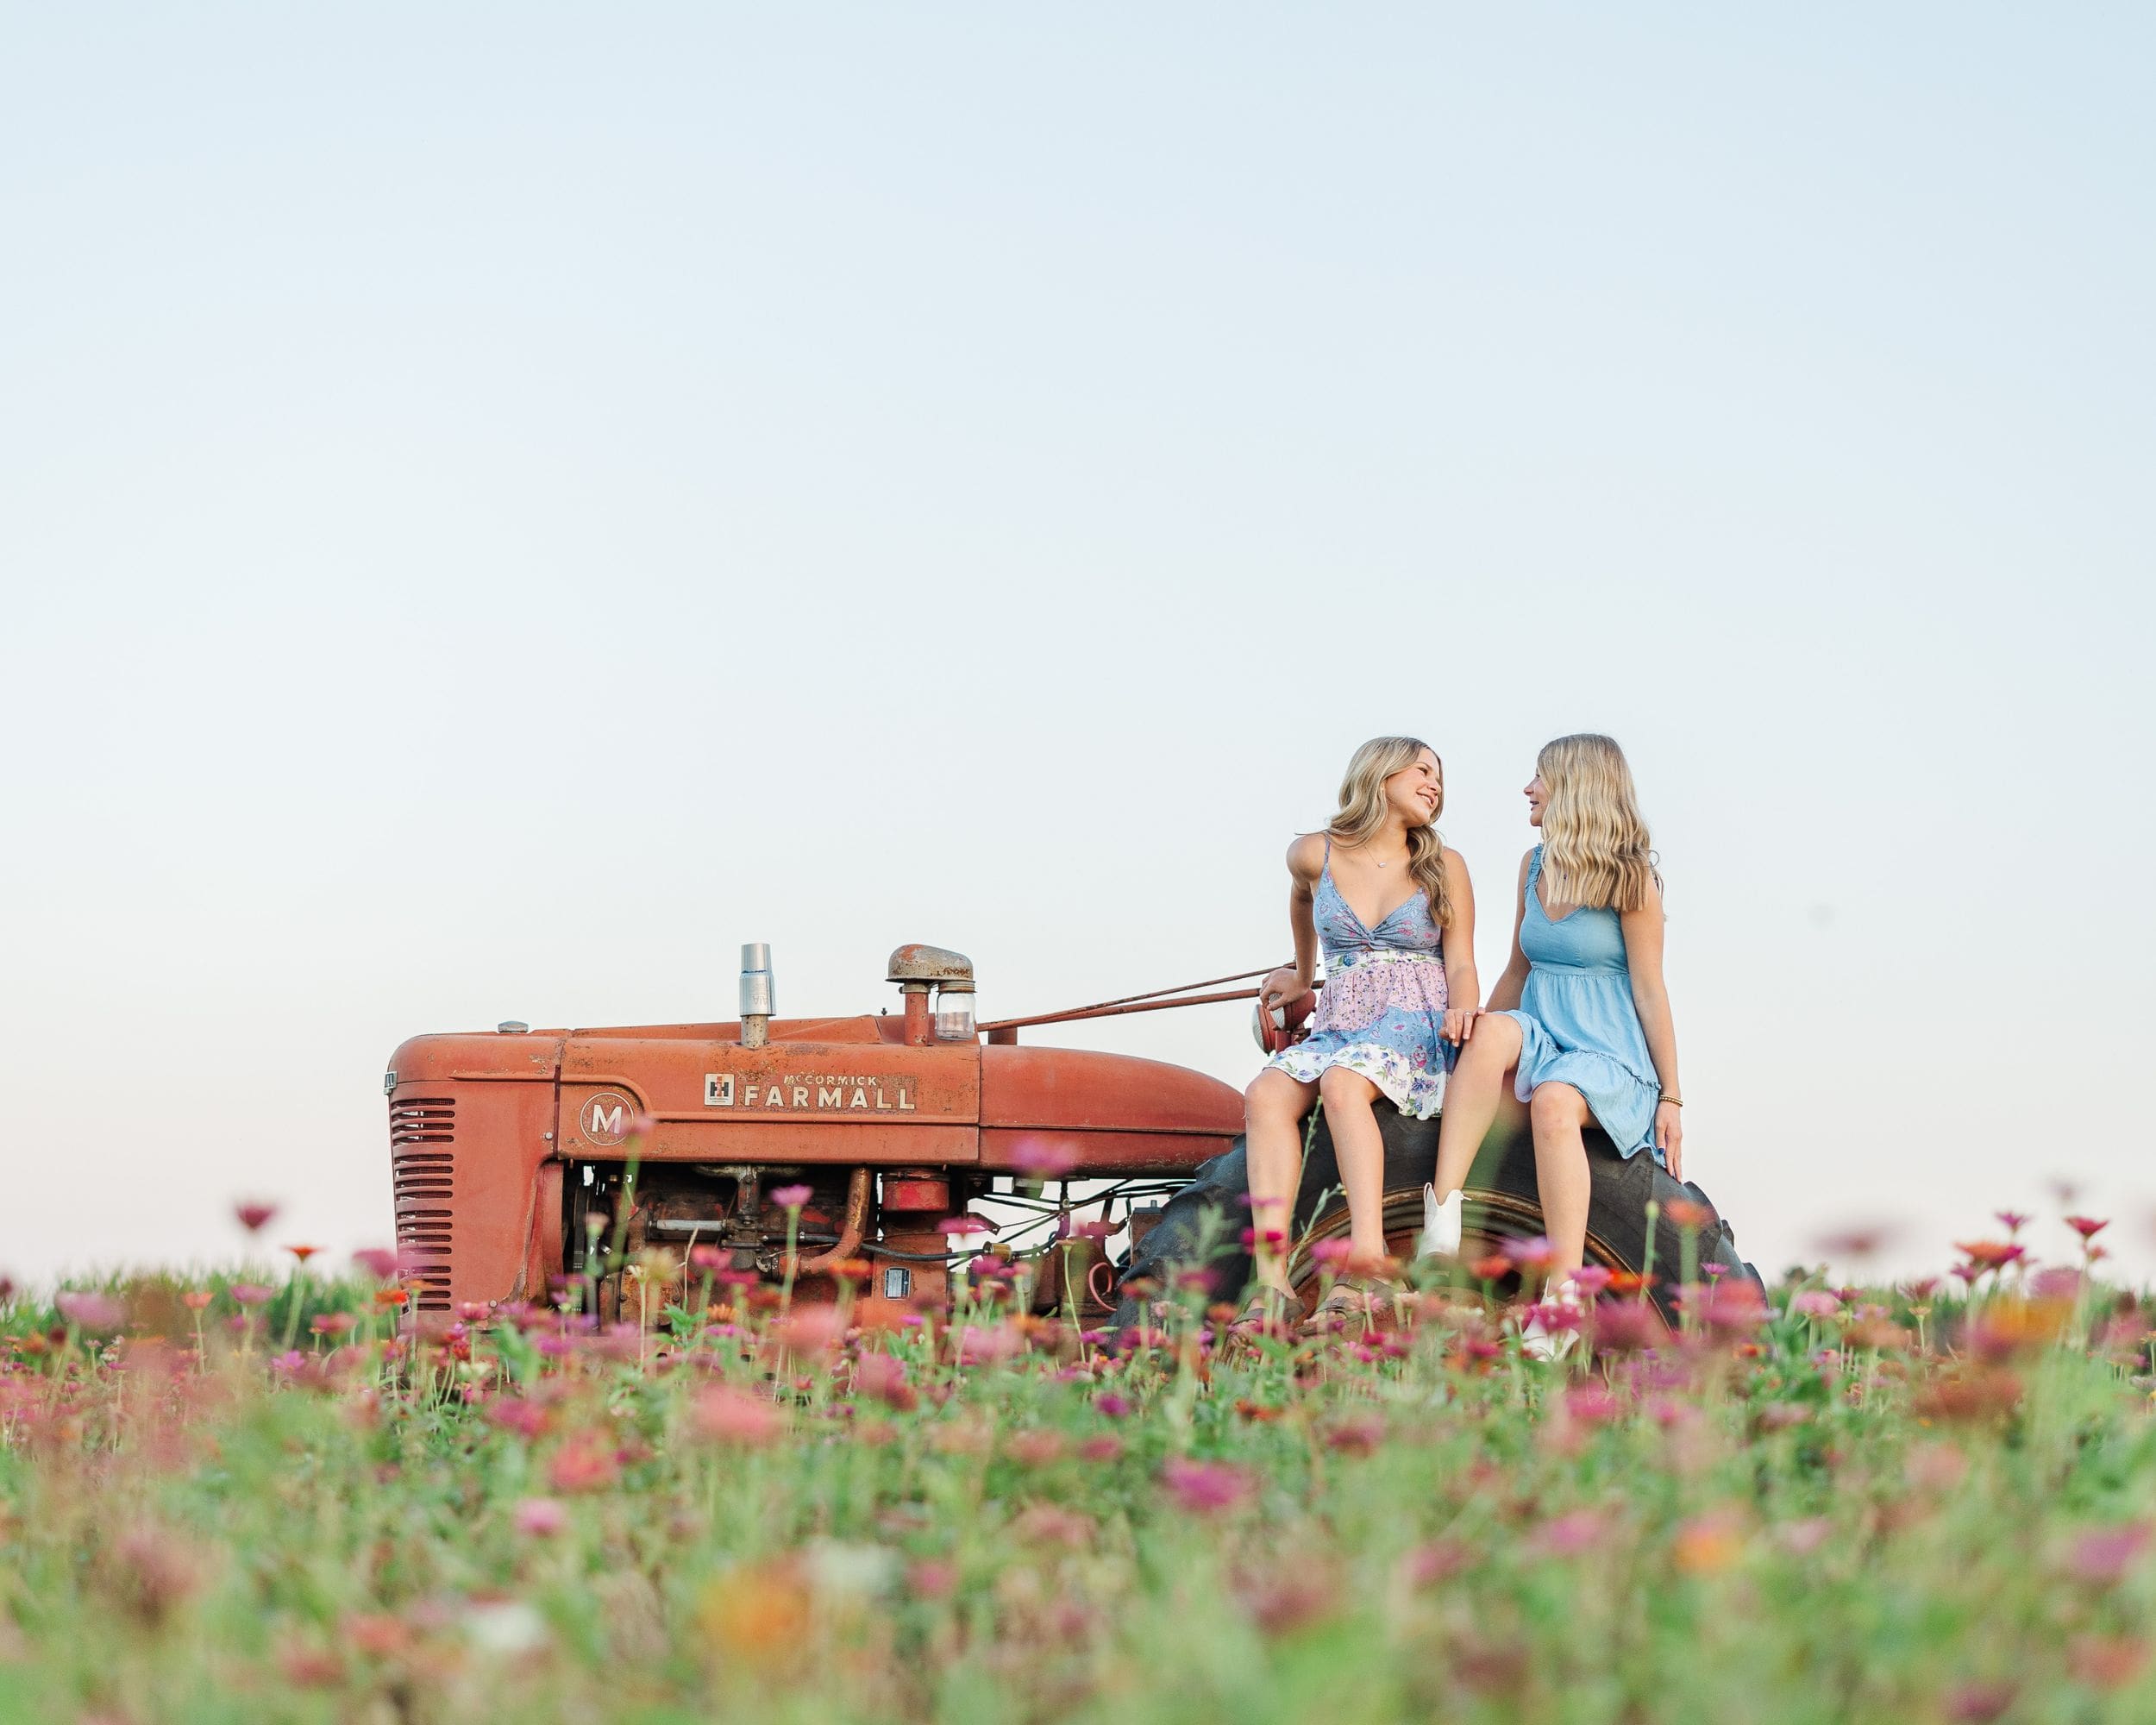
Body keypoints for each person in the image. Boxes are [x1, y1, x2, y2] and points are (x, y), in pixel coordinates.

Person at [1421, 732, 1683, 1358]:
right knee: (1488, 1033)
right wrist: (1474, 1047)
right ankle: (1442, 1221)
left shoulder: (1632, 880)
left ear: (1575, 787)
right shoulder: (1533, 865)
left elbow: (1650, 990)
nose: (1528, 789)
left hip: (1607, 1052)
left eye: (1539, 777)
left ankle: (1564, 1296)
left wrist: (1673, 1095)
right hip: (1542, 1031)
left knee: (1555, 1101)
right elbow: (1517, 968)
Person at [1230, 737, 1477, 1337]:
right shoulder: (1314, 854)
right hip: (1342, 1020)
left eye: (1439, 778)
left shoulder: (1443, 865)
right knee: (1264, 1093)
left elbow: (1462, 960)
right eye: (1423, 770)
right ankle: (1272, 1282)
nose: (1434, 784)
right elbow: (1300, 899)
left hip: (1412, 1020)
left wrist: (1465, 1005)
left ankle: (1368, 1263)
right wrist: (1299, 968)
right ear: (1381, 772)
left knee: (1342, 1084)